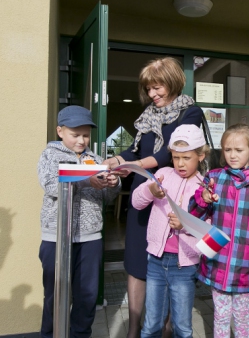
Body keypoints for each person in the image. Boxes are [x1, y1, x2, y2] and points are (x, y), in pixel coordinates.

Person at [102, 57, 203, 338]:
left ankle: (167, 329)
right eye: (148, 89)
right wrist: (119, 160)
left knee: (173, 265)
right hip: (145, 194)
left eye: (157, 88)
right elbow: (137, 150)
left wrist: (136, 166)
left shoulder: (190, 113)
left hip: (172, 198)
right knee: (136, 263)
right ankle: (135, 330)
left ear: (173, 84)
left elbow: (167, 154)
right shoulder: (148, 115)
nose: (152, 95)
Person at [37, 105, 121, 338]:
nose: (81, 140)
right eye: (75, 135)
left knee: (86, 295)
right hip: (55, 237)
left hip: (90, 237)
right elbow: (51, 184)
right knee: (55, 294)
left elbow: (106, 196)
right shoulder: (49, 155)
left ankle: (80, 335)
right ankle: (50, 334)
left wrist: (113, 184)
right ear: (60, 131)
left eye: (86, 135)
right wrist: (86, 180)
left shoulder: (95, 159)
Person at [191, 124, 249, 338]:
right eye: (227, 150)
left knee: (242, 316)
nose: (232, 155)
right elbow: (195, 214)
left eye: (239, 150)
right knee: (220, 315)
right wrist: (203, 199)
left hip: (245, 266)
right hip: (217, 262)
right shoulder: (215, 178)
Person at [129, 124, 209, 338]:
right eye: (176, 157)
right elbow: (136, 202)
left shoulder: (205, 186)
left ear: (201, 155)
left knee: (182, 327)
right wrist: (150, 189)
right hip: (156, 260)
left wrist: (186, 226)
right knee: (151, 324)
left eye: (186, 157)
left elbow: (208, 230)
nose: (180, 164)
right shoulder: (162, 174)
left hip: (185, 265)